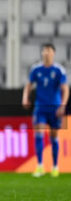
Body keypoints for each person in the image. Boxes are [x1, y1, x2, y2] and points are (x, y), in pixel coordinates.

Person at [22, 43, 69, 178]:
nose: (46, 53)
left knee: (53, 137)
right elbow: (29, 85)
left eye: (48, 51)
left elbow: (65, 88)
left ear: (53, 53)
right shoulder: (36, 70)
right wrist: (25, 98)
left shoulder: (59, 70)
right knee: (39, 135)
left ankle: (55, 166)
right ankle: (40, 166)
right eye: (44, 51)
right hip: (40, 107)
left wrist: (63, 105)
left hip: (55, 108)